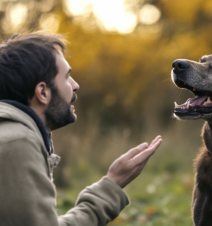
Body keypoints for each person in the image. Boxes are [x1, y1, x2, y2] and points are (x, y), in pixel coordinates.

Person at [0, 32, 162, 226]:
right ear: (43, 92)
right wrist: (113, 184)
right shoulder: (17, 143)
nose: (75, 85)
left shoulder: (11, 136)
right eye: (67, 76)